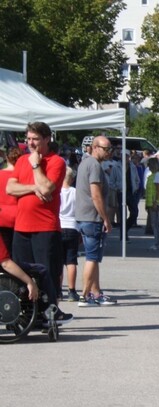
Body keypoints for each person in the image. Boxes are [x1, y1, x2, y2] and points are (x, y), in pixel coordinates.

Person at [7, 122, 72, 322]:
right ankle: (27, 314)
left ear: (46, 139)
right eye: (28, 139)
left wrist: (36, 165)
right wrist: (32, 188)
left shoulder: (56, 162)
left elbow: (46, 189)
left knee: (48, 274)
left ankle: (50, 312)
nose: (31, 143)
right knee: (21, 275)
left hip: (45, 228)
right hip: (22, 227)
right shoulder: (21, 160)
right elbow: (11, 188)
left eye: (35, 139)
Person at [75, 136, 115, 307]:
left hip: (85, 217)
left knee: (95, 257)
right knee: (92, 257)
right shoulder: (94, 165)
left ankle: (96, 292)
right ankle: (85, 295)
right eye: (106, 148)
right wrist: (105, 218)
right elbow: (96, 195)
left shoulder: (87, 163)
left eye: (109, 148)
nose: (109, 152)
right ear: (95, 147)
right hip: (92, 218)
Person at [59, 167, 81, 302]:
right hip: (73, 227)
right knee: (71, 261)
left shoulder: (57, 192)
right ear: (72, 179)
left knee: (58, 262)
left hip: (59, 226)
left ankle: (58, 290)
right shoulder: (76, 192)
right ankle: (72, 291)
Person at [144, 157, 159, 251]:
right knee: (154, 224)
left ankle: (157, 243)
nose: (148, 166)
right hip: (151, 202)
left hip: (154, 203)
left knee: (155, 224)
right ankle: (157, 242)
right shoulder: (153, 175)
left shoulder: (156, 175)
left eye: (149, 164)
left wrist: (155, 202)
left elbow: (158, 190)